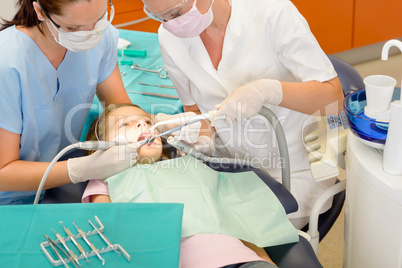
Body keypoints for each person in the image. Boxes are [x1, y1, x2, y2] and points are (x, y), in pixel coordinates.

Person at [141, 0, 345, 228]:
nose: (172, 24)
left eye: (176, 12)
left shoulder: (271, 11)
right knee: (185, 221)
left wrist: (270, 90)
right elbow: (195, 109)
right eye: (160, 17)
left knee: (237, 235)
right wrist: (204, 137)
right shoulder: (169, 36)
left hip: (299, 166)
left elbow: (333, 98)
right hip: (230, 164)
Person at [82, 103, 301, 268]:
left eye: (147, 122)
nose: (142, 125)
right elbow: (108, 232)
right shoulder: (106, 180)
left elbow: (240, 222)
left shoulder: (188, 168)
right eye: (125, 124)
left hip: (243, 260)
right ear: (101, 146)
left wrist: (265, 261)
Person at [0, 0, 139, 205]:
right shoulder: (7, 62)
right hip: (10, 198)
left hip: (59, 183)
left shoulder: (101, 37)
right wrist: (82, 169)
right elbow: (4, 173)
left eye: (99, 19)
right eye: (73, 28)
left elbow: (120, 109)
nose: (91, 33)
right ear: (40, 11)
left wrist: (158, 125)